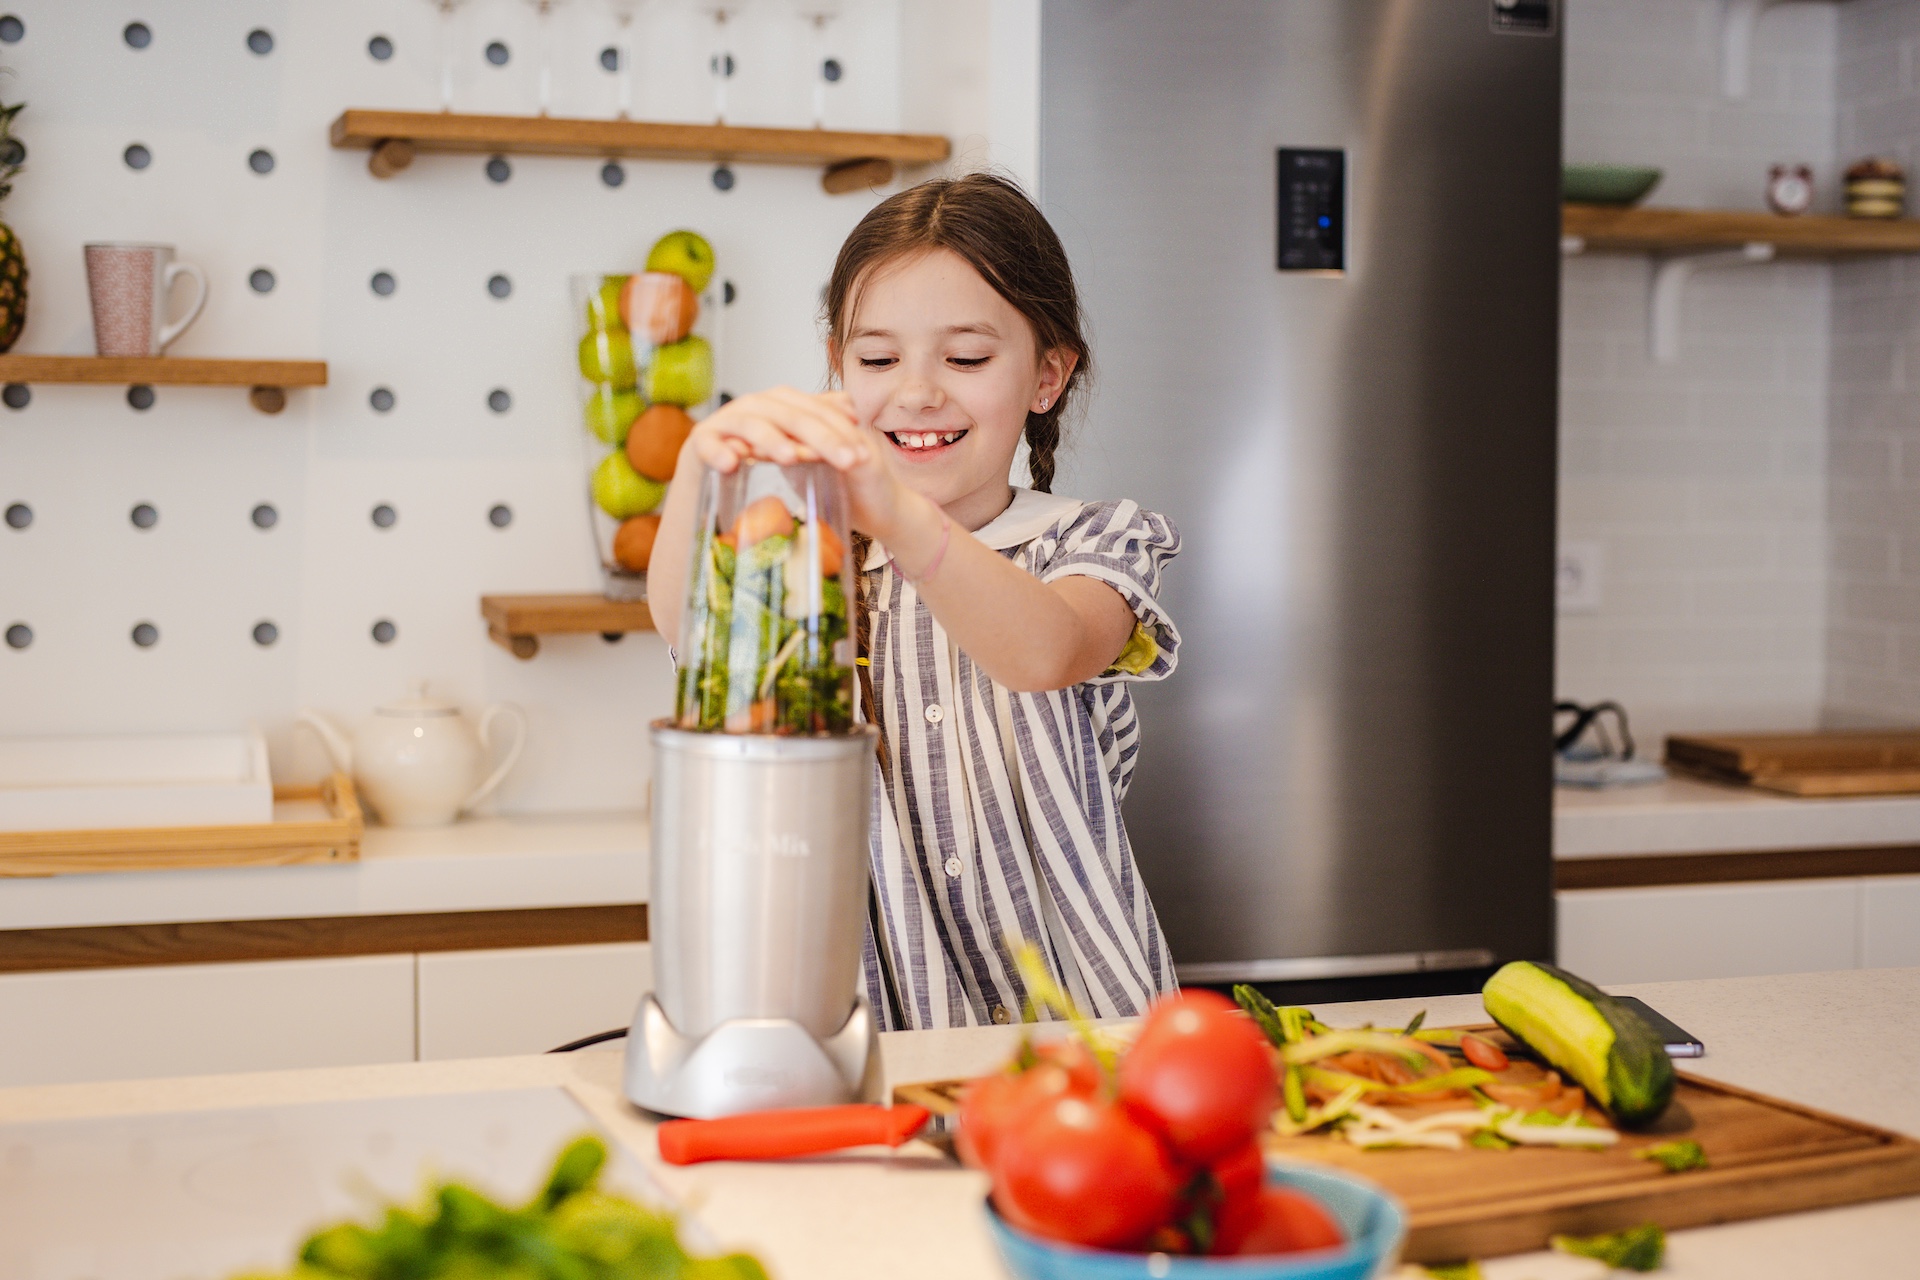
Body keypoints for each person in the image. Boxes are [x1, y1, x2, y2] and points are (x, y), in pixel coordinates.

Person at [649, 173, 1181, 1030]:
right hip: (875, 1029)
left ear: (1047, 375)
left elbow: (1046, 652)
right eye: (877, 359)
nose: (919, 391)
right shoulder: (809, 559)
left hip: (1083, 1032)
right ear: (838, 367)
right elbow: (691, 623)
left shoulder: (1096, 540)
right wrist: (697, 467)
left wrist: (899, 517)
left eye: (966, 358)